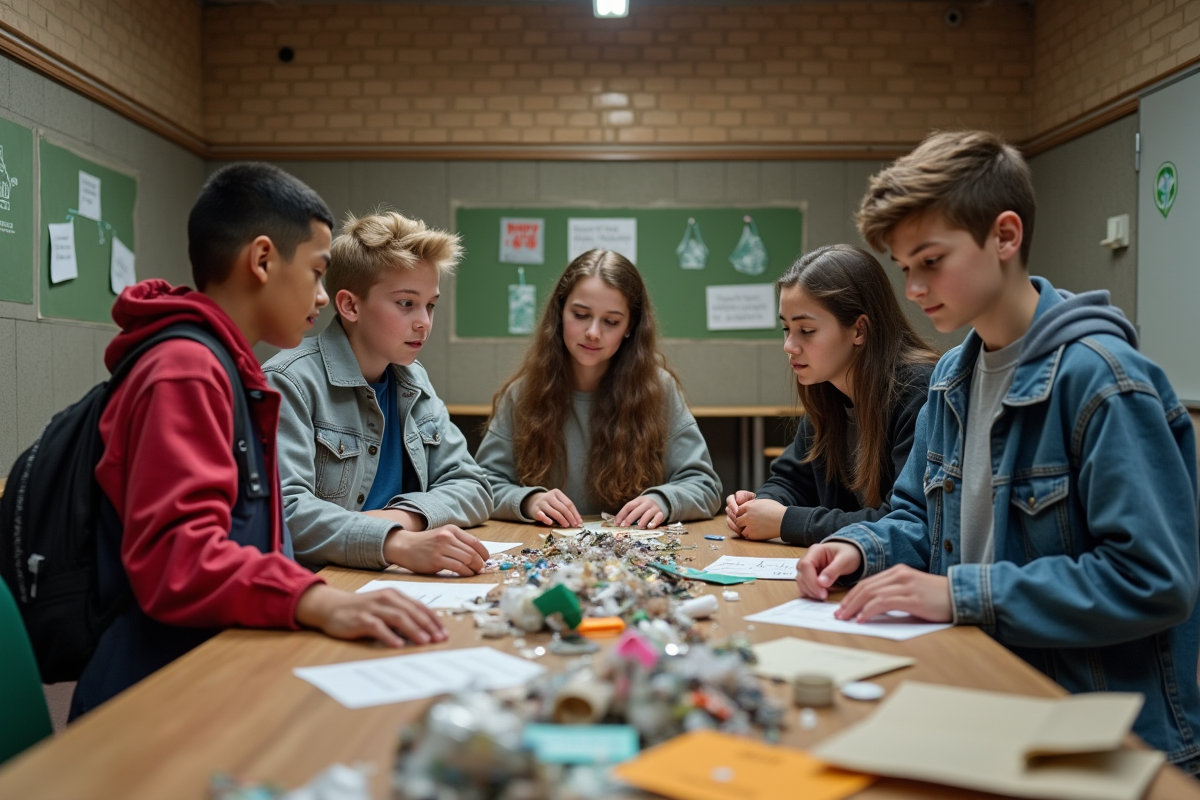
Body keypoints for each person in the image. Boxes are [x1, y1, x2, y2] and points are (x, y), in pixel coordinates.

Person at [794, 130, 1200, 772]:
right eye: (904, 269)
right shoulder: (953, 377)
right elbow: (915, 518)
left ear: (1004, 237)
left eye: (931, 260)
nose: (915, 288)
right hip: (984, 694)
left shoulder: (1102, 382)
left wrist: (959, 594)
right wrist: (860, 548)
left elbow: (1152, 581)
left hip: (1103, 735)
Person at [71, 164, 446, 719]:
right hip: (160, 690)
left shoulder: (226, 368)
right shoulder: (185, 371)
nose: (322, 298)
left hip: (225, 659)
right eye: (317, 273)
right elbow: (181, 558)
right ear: (263, 260)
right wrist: (314, 599)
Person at [266, 211, 493, 575]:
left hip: (393, 575)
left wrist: (402, 519)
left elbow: (473, 487)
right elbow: (285, 512)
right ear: (350, 306)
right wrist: (393, 541)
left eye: (430, 304)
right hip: (320, 587)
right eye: (406, 303)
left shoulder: (414, 379)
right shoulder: (288, 381)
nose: (424, 321)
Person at [476, 249, 721, 528]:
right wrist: (527, 500)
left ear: (630, 326)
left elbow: (704, 486)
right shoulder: (522, 394)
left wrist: (664, 500)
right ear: (559, 312)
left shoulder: (659, 390)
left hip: (630, 556)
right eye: (581, 314)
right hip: (548, 556)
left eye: (611, 321)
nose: (593, 332)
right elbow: (482, 486)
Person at [725, 245, 937, 545]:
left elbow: (904, 523)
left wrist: (786, 521)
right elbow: (792, 479)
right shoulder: (828, 388)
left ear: (859, 330)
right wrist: (759, 506)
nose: (789, 345)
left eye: (806, 330)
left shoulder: (919, 391)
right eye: (786, 328)